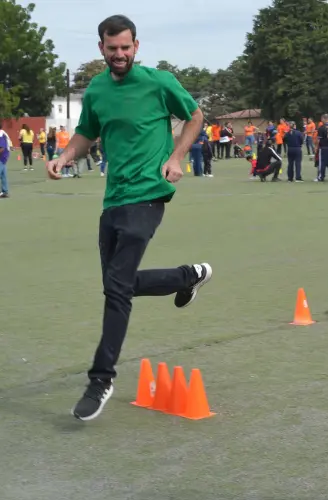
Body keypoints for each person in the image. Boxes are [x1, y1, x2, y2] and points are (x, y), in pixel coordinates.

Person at [45, 15, 212, 421]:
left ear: (136, 46)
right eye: (111, 48)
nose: (119, 54)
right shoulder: (98, 89)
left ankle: (101, 378)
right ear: (101, 48)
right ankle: (187, 276)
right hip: (113, 199)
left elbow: (195, 116)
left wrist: (176, 157)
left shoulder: (160, 82)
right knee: (118, 284)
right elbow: (87, 132)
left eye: (125, 47)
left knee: (116, 289)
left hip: (149, 194)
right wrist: (65, 156)